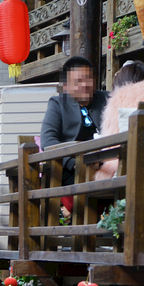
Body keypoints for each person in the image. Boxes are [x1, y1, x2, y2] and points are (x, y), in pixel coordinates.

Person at [40, 56, 109, 196]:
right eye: (78, 81)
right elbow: (47, 140)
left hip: (105, 162)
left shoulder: (107, 99)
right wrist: (72, 162)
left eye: (88, 79)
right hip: (71, 166)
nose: (85, 85)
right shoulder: (57, 104)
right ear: (67, 85)